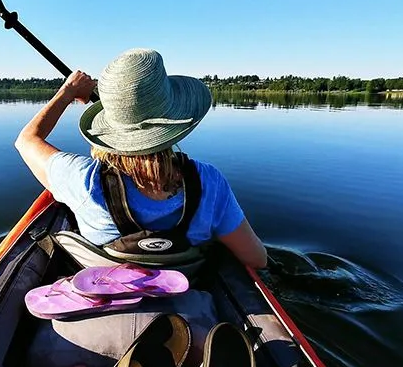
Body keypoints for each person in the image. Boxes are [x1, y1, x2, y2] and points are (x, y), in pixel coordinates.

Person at [14, 48, 267, 269]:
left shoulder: (82, 180)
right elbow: (257, 259)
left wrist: (68, 91)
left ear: (110, 128)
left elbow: (26, 140)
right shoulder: (209, 182)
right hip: (189, 299)